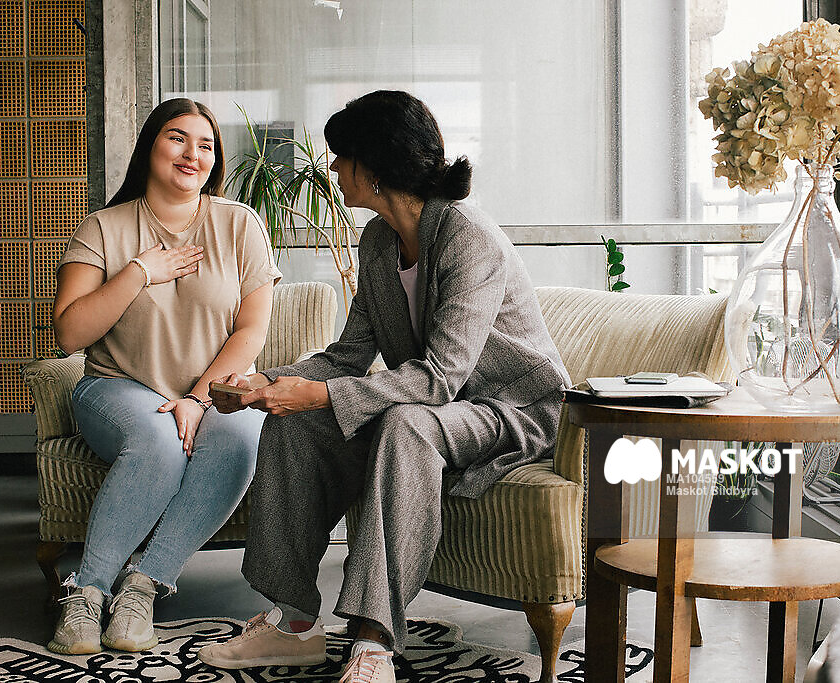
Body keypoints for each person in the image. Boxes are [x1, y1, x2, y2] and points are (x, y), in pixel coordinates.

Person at [196, 90, 570, 682]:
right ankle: (294, 623)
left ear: (372, 165)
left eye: (340, 155)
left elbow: (443, 375)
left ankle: (373, 642)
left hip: (510, 409)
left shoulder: (468, 235)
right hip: (434, 408)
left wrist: (321, 394)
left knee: (404, 424)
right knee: (296, 424)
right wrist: (268, 382)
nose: (332, 168)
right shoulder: (377, 242)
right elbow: (348, 355)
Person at [47, 98, 281, 655]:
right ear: (150, 145)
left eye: (206, 144)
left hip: (215, 389)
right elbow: (70, 334)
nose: (192, 154)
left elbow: (251, 330)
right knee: (158, 441)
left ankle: (143, 586)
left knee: (241, 435)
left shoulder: (239, 224)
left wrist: (198, 399)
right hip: (117, 386)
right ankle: (86, 593)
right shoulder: (103, 227)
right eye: (177, 137)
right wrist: (139, 271)